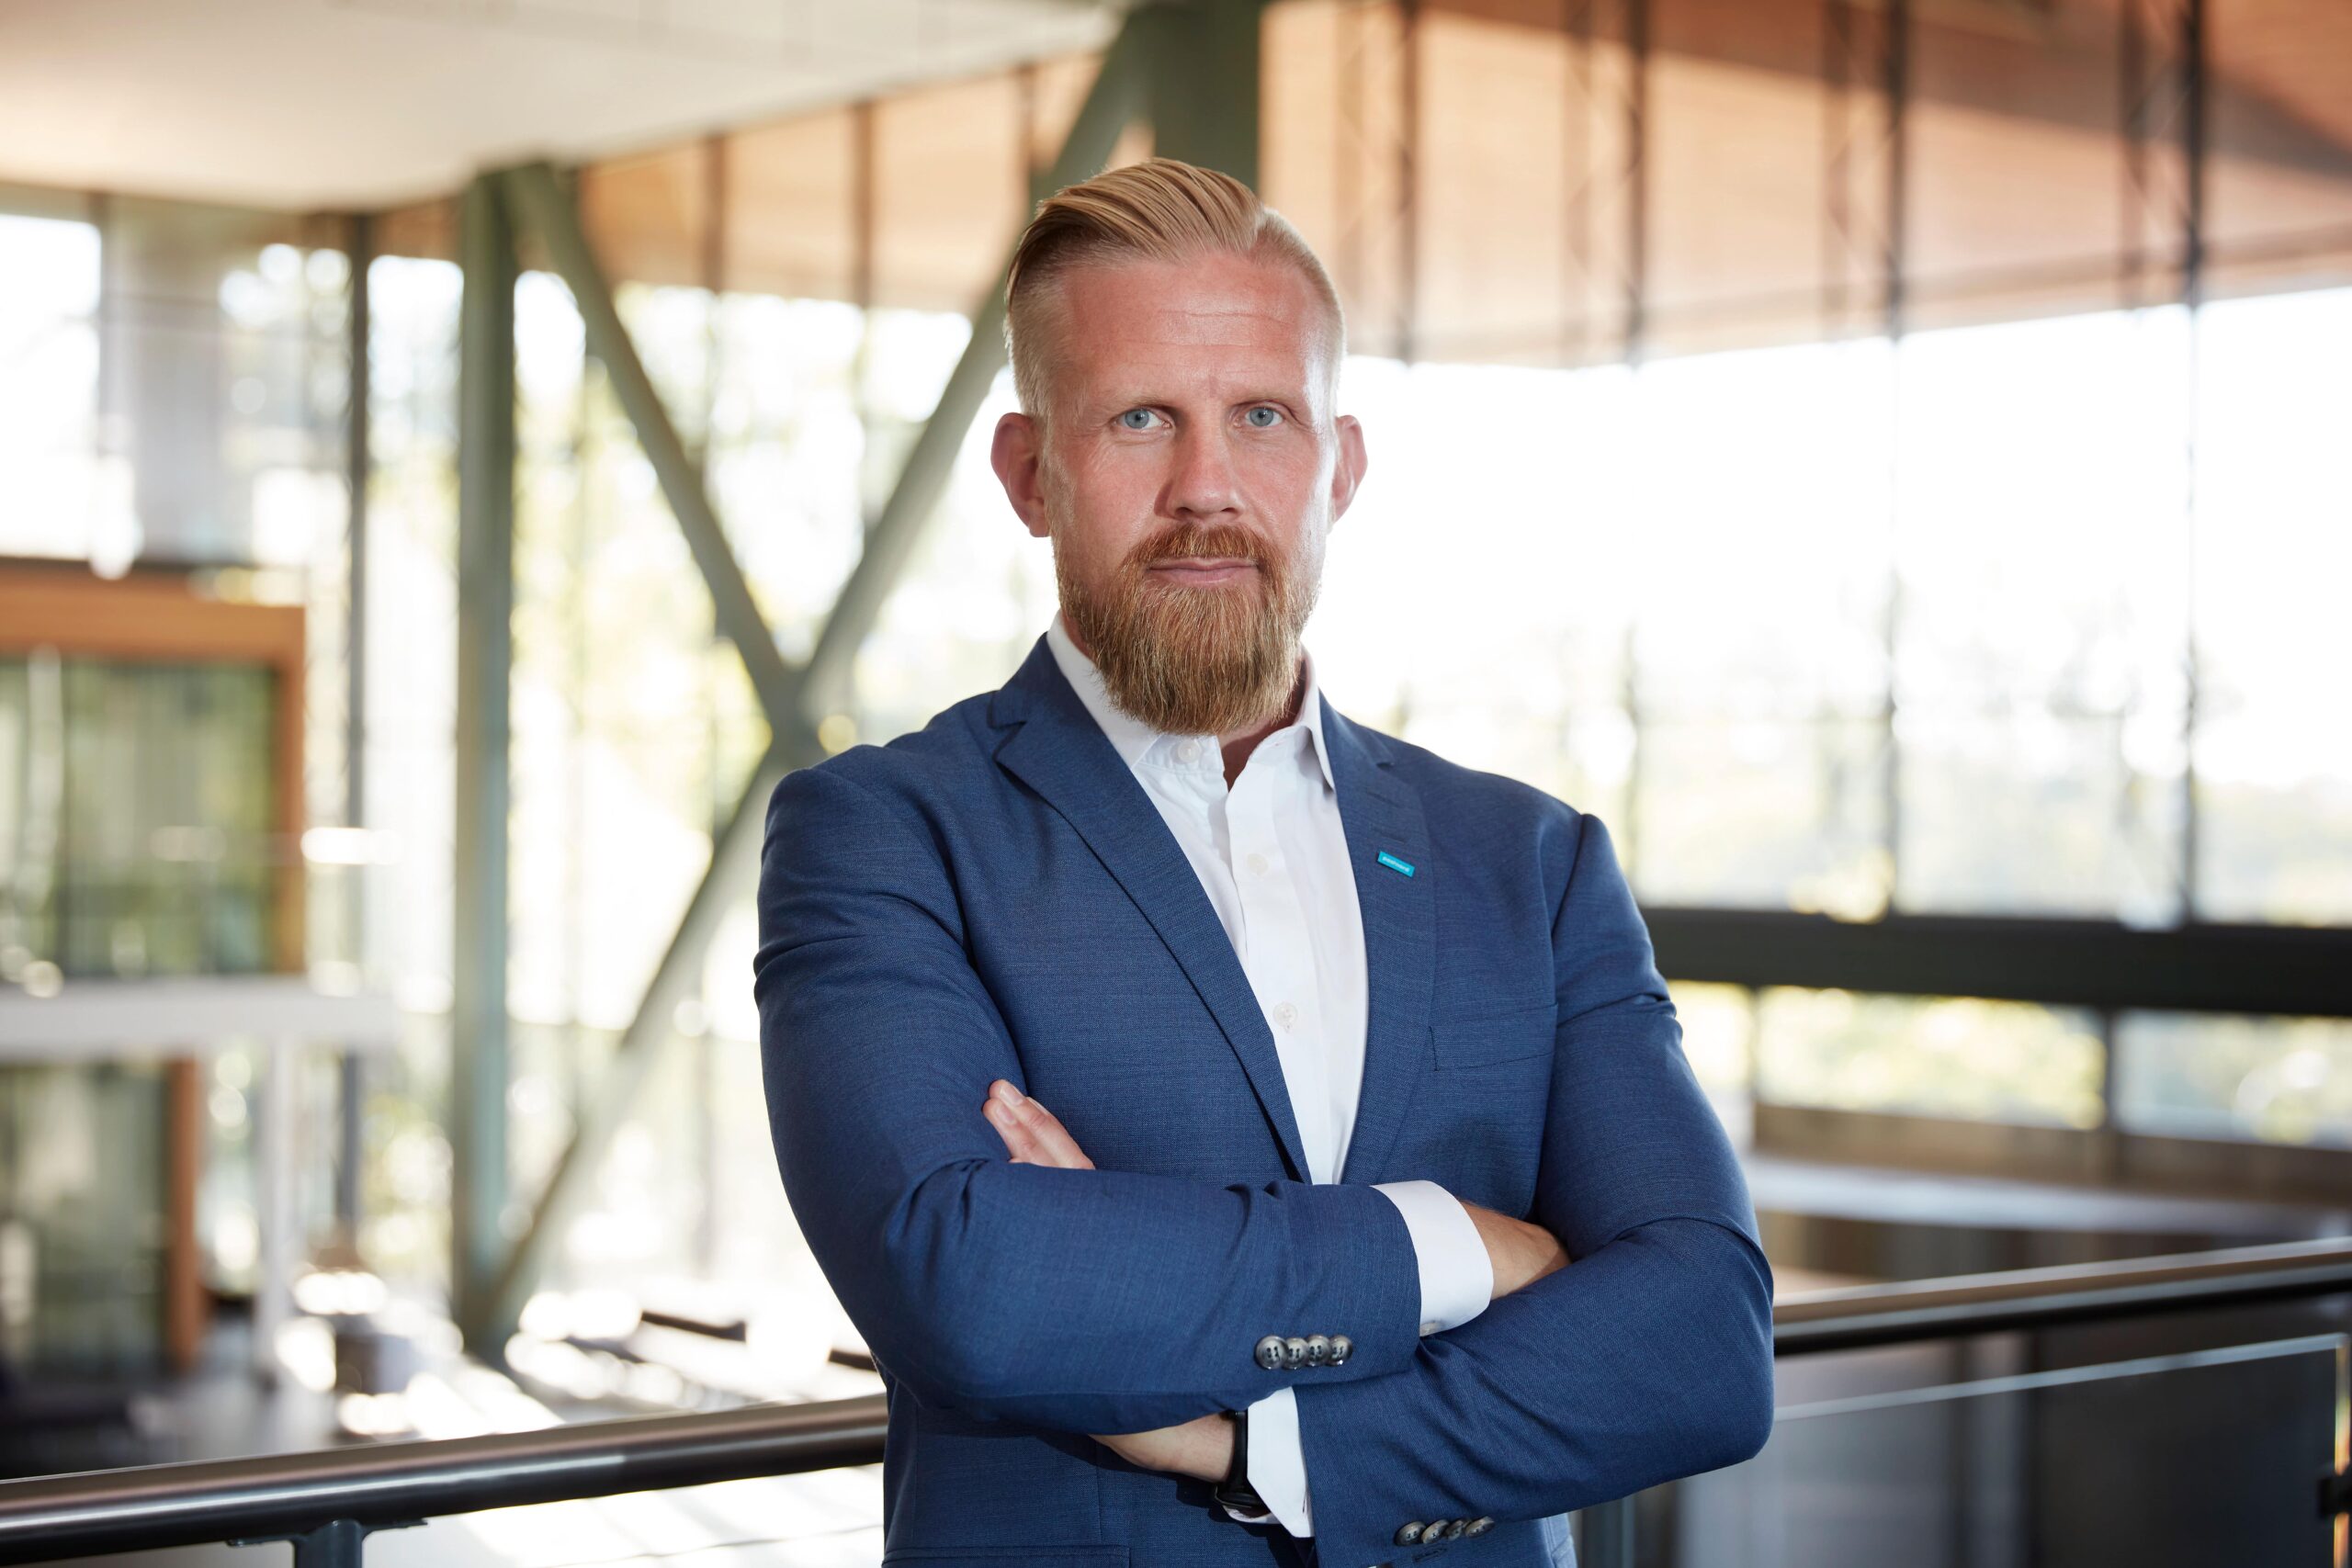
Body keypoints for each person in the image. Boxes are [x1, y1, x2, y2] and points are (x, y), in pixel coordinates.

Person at [753, 156, 1772, 1568]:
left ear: (1339, 468)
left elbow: (1705, 1343)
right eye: (1140, 419)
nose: (1207, 488)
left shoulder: (1531, 864)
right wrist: (1460, 1248)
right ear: (1031, 475)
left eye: (1262, 417)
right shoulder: (886, 833)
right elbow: (969, 1286)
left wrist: (1254, 1446)